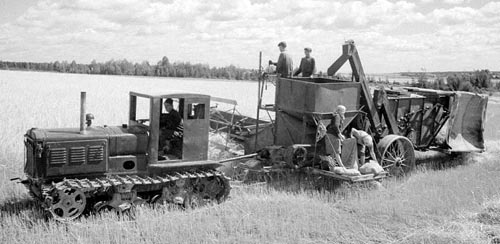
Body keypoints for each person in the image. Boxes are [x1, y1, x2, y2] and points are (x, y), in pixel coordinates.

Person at [325, 105, 346, 169]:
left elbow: (330, 126)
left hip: (330, 135)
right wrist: (339, 134)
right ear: (339, 111)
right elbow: (335, 126)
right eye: (343, 111)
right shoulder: (337, 116)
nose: (344, 112)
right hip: (333, 136)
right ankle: (342, 166)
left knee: (332, 152)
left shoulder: (336, 116)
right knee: (337, 152)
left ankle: (332, 167)